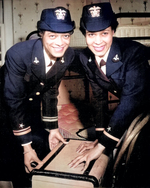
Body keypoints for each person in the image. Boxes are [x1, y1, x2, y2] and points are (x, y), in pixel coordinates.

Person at [69, 2, 150, 186]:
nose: (98, 41)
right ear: (85, 35)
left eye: (104, 33)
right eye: (91, 34)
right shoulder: (85, 58)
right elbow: (98, 98)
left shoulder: (133, 52)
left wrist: (102, 145)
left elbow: (131, 101)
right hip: (134, 110)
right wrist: (99, 137)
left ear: (113, 31)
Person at [2, 6, 75, 187]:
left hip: (29, 102)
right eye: (52, 36)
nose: (60, 43)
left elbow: (51, 90)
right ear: (41, 34)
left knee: (41, 143)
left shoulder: (68, 55)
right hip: (4, 103)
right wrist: (26, 148)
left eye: (65, 35)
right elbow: (14, 101)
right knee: (14, 152)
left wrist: (52, 128)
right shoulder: (18, 54)